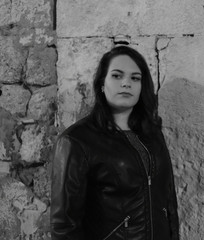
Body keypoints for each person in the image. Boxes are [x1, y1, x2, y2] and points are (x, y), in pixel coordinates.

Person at [51, 45, 179, 240]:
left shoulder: (152, 135)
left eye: (135, 78)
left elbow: (168, 202)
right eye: (117, 76)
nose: (126, 83)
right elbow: (64, 225)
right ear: (102, 84)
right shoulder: (77, 141)